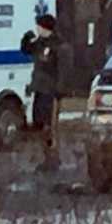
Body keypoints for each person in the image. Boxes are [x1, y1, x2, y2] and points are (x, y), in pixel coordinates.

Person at [20, 13, 73, 172]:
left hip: (51, 91)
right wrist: (25, 40)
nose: (37, 29)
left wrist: (60, 89)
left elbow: (64, 70)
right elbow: (27, 50)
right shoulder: (40, 43)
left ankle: (53, 157)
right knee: (39, 124)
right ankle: (45, 156)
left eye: (39, 26)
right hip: (39, 89)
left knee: (50, 126)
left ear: (46, 27)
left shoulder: (59, 46)